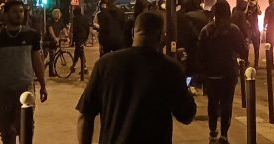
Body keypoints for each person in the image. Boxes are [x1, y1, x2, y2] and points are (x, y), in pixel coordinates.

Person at [76, 11, 196, 144]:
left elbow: (85, 115)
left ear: (133, 32)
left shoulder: (105, 64)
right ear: (161, 37)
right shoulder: (170, 69)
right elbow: (187, 115)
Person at [0, 0, 48, 144]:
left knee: (26, 130)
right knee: (7, 132)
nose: (19, 15)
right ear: (5, 15)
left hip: (25, 89)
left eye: (21, 11)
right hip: (4, 91)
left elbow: (37, 62)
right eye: (14, 12)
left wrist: (43, 85)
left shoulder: (32, 35)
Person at [196, 0, 248, 143]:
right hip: (228, 73)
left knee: (212, 103)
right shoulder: (233, 30)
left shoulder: (206, 30)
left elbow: (200, 53)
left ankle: (213, 133)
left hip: (211, 75)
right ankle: (224, 135)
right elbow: (242, 50)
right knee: (226, 104)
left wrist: (204, 70)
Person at [177, 0, 209, 82]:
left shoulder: (184, 16)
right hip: (203, 48)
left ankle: (188, 86)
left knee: (188, 71)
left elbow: (184, 34)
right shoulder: (204, 15)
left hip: (190, 48)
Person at [70, 5, 91, 76]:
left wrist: (72, 40)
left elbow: (74, 30)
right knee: (79, 51)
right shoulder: (85, 18)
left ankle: (82, 68)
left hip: (78, 37)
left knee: (78, 51)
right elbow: (88, 28)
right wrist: (86, 37)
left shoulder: (75, 19)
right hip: (84, 36)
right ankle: (77, 67)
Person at [244, 0, 262, 68]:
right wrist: (247, 6)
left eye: (253, 1)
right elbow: (243, 14)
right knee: (246, 48)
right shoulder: (246, 7)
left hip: (255, 30)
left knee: (256, 48)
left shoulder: (256, 7)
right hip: (248, 30)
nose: (252, 3)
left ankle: (256, 64)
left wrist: (257, 4)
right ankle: (246, 63)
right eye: (251, 1)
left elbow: (259, 13)